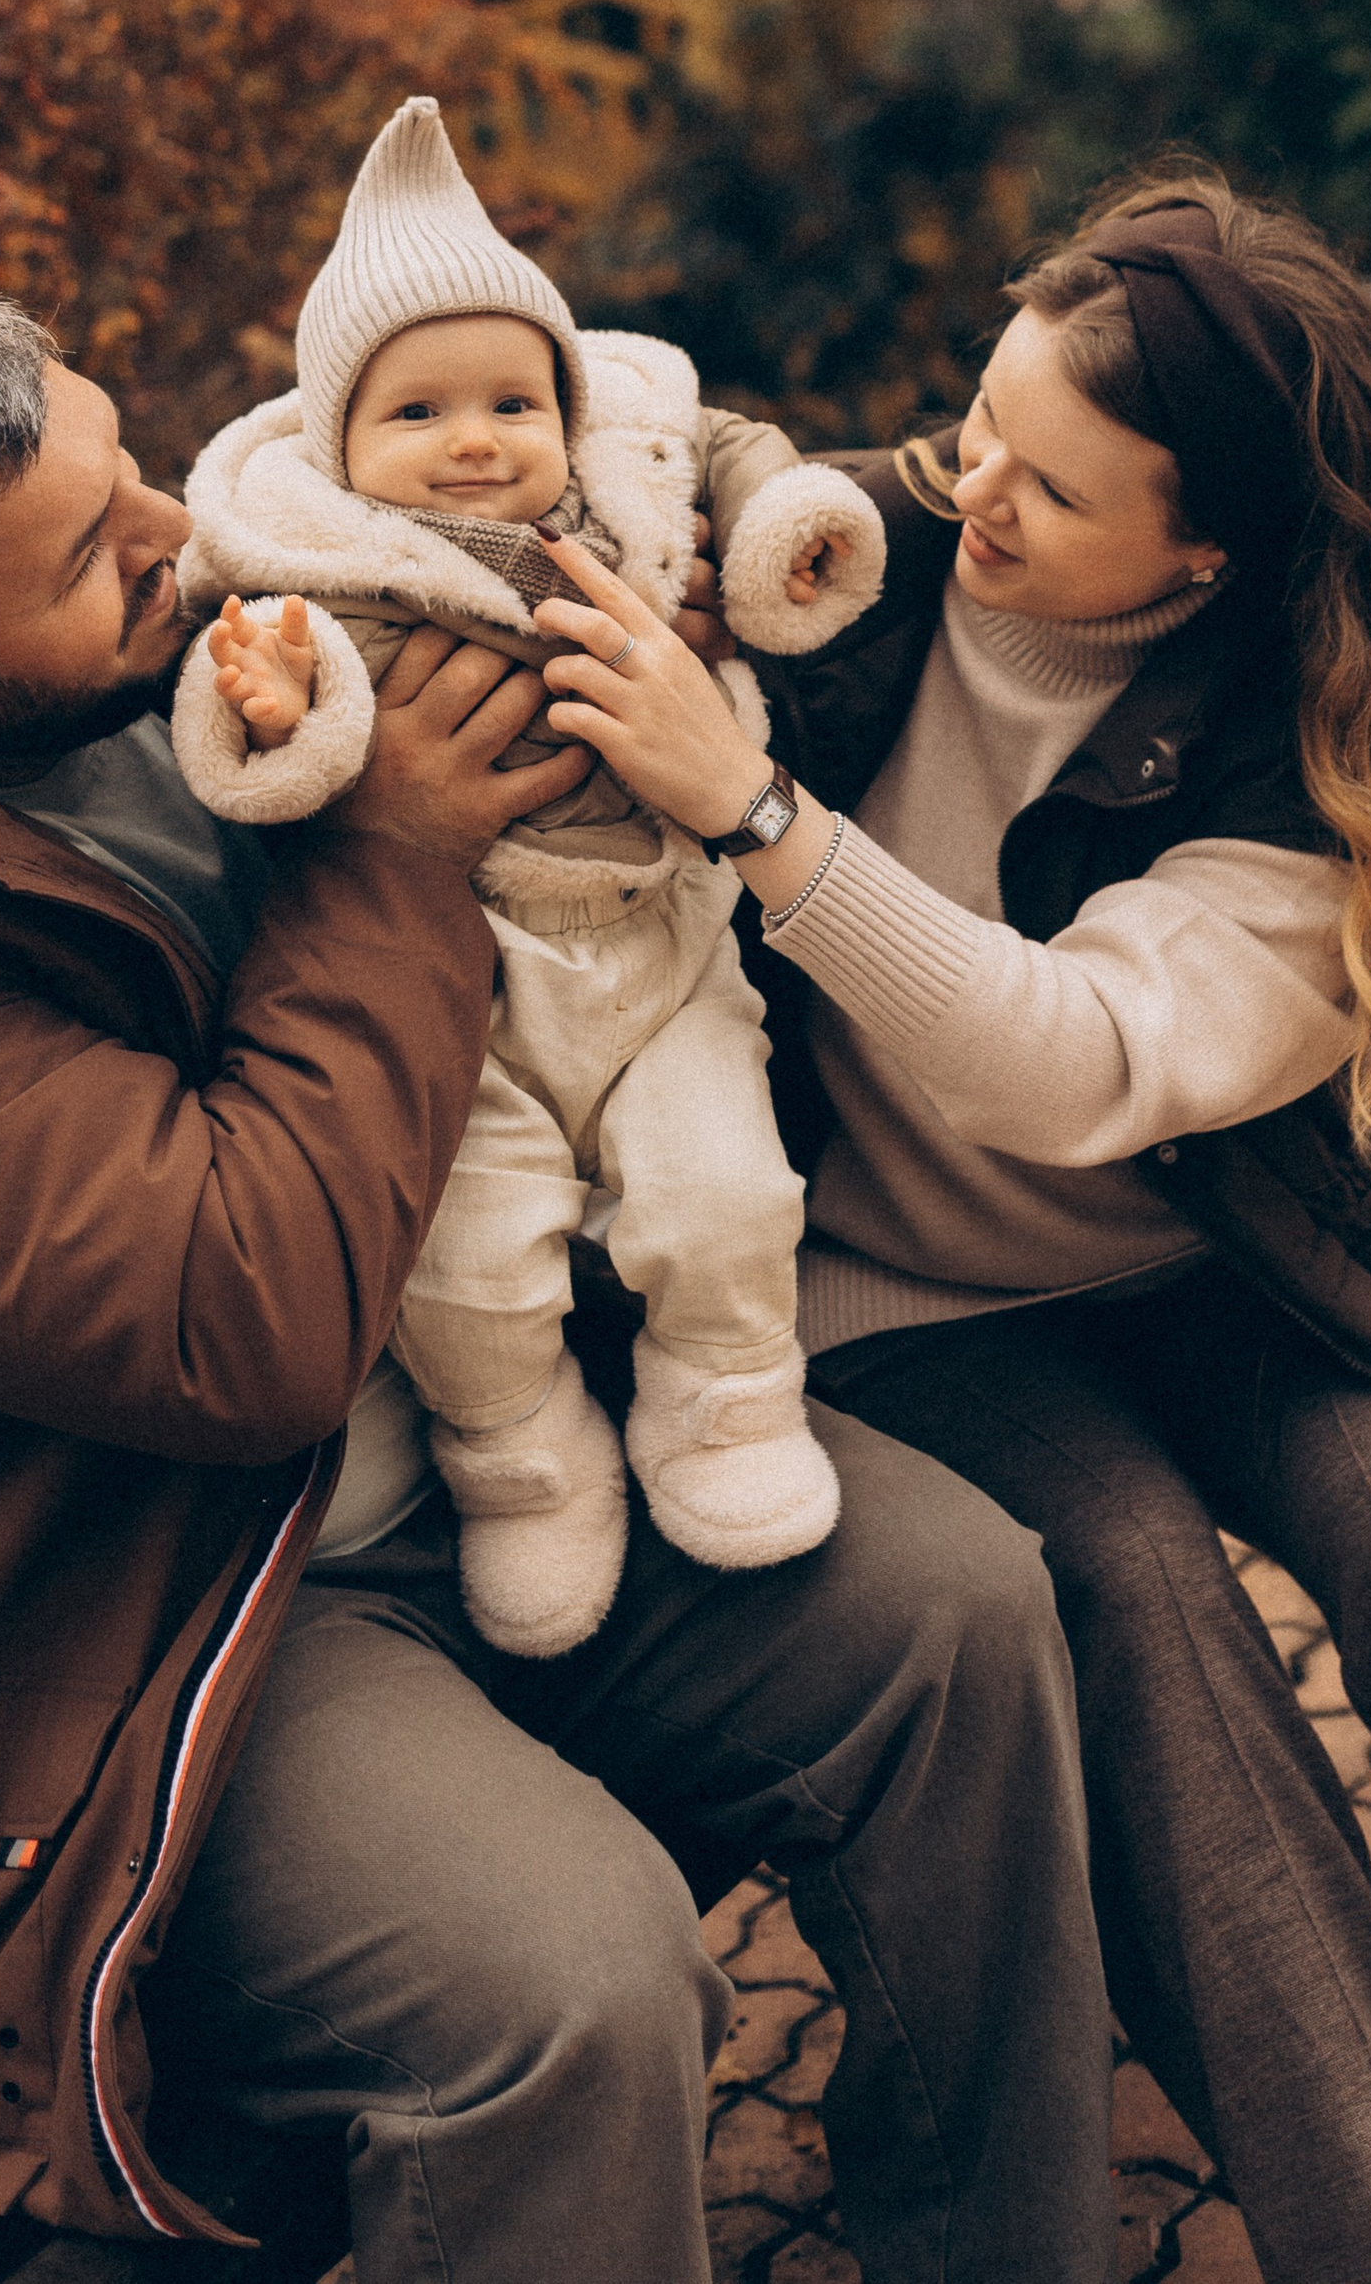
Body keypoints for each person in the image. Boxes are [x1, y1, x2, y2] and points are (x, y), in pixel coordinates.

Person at [0, 282, 1120, 2284]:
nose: (168, 526)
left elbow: (542, 462)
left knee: (954, 1615)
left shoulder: (114, 646)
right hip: (112, 1649)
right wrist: (388, 853)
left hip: (447, 1459)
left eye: (121, 457)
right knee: (570, 1981)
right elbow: (245, 1325)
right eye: (85, 550)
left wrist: (665, 599)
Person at [527, 166, 1371, 2284]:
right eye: (974, 423)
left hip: (1228, 1260)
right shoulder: (841, 566)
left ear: (1202, 554)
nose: (975, 496)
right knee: (1130, 1587)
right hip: (901, 1300)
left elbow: (1058, 1058)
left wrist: (755, 816)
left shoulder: (1313, 751)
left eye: (1047, 482)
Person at [174, 94, 882, 1653]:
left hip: (657, 938)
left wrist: (782, 534)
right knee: (469, 1260)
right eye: (416, 415)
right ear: (336, 441)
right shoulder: (310, 563)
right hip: (468, 980)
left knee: (724, 1187)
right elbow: (250, 716)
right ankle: (522, 1462)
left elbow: (741, 453)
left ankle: (729, 1408)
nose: (476, 438)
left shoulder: (633, 473)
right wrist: (283, 711)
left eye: (512, 398)